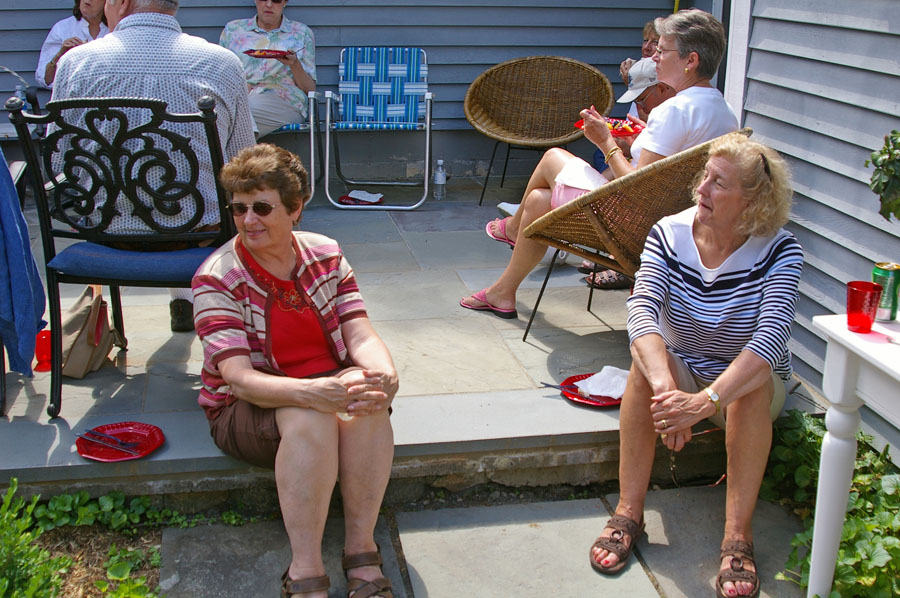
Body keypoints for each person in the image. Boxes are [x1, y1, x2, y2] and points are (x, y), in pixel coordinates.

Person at [588, 132, 803, 598]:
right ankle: (628, 511)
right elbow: (642, 308)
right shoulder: (669, 232)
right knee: (644, 366)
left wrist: (703, 402)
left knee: (751, 389)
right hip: (684, 366)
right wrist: (669, 394)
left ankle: (737, 537)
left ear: (753, 200)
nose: (701, 189)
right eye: (704, 176)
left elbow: (768, 343)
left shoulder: (780, 250)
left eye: (717, 182)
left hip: (747, 381)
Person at [192, 144, 397, 598]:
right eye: (239, 208)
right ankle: (305, 572)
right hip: (246, 409)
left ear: (296, 208)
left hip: (324, 388)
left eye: (262, 207)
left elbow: (359, 333)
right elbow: (240, 379)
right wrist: (308, 394)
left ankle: (361, 552)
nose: (248, 220)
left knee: (364, 398)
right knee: (311, 415)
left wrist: (385, 376)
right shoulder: (216, 278)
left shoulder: (325, 253)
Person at [465, 9, 738, 318]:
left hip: (628, 224)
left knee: (553, 156)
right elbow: (666, 171)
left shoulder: (672, 111)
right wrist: (637, 143)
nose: (655, 57)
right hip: (673, 221)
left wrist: (605, 142)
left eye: (662, 50)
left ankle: (513, 230)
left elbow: (638, 188)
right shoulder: (723, 109)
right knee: (539, 202)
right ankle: (503, 293)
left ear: (690, 61)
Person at [50, 0, 256, 332]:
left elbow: (60, 160)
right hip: (195, 239)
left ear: (121, 1)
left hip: (106, 235)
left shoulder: (76, 62)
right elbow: (244, 159)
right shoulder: (220, 63)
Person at [220, 0, 317, 138]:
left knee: (235, 116)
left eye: (276, 0)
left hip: (284, 100)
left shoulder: (301, 33)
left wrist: (294, 65)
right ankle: (241, 153)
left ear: (285, 2)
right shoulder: (233, 30)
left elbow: (310, 89)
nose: (269, 4)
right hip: (240, 97)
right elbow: (221, 77)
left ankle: (230, 155)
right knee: (225, 113)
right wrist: (240, 86)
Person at [35, 0, 109, 88]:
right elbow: (46, 80)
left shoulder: (116, 29)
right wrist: (61, 55)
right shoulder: (62, 28)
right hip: (70, 97)